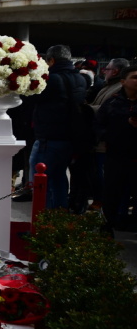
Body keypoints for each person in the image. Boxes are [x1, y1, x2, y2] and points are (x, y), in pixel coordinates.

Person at [21, 45, 86, 209]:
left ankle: (43, 223)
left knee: (43, 182)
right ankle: (57, 220)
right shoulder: (80, 78)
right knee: (59, 179)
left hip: (49, 136)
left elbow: (30, 97)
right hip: (69, 136)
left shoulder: (53, 79)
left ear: (51, 60)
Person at [95, 65, 137, 230]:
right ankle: (107, 226)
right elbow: (98, 125)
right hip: (115, 156)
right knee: (112, 193)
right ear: (123, 82)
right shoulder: (113, 101)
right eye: (134, 77)